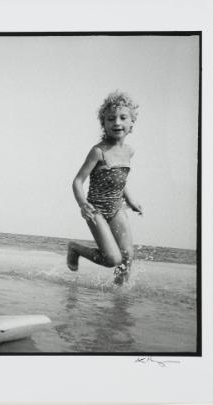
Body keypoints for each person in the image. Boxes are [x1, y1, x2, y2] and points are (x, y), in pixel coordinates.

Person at [67, 91, 143, 285]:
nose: (117, 122)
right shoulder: (98, 151)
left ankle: (119, 299)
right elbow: (77, 181)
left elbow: (120, 180)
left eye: (123, 117)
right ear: (104, 124)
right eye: (111, 119)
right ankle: (75, 248)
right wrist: (83, 204)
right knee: (112, 259)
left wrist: (131, 201)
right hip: (96, 210)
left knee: (127, 257)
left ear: (132, 123)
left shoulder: (129, 151)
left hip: (117, 208)